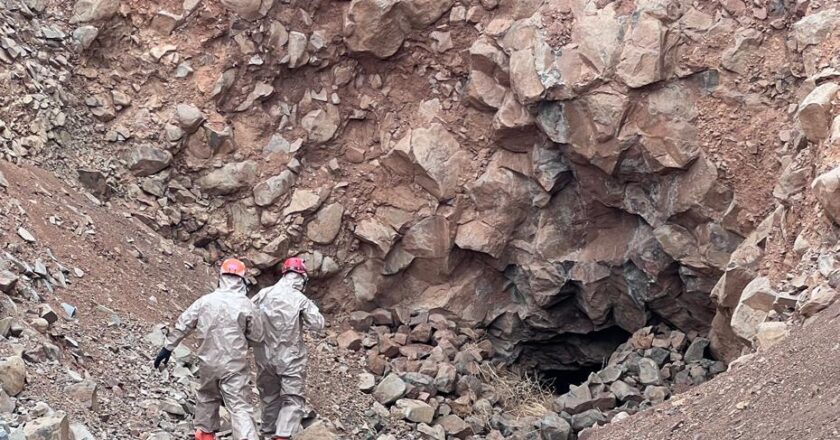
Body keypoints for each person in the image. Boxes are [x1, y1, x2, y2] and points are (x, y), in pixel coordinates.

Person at [154, 258, 264, 440]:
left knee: (206, 397)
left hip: (207, 362)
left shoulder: (205, 301)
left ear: (221, 276)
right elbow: (258, 337)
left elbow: (184, 324)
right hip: (233, 365)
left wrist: (168, 348)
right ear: (242, 279)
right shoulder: (246, 305)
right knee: (239, 406)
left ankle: (205, 436)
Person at [252, 257, 325, 440]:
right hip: (290, 359)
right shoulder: (300, 299)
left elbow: (246, 315)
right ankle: (282, 436)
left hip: (263, 357)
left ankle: (267, 435)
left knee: (269, 399)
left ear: (284, 274)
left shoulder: (263, 294)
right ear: (301, 278)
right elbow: (318, 325)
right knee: (293, 400)